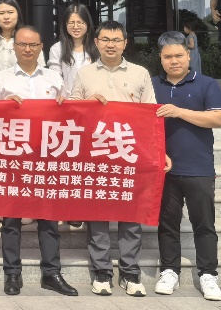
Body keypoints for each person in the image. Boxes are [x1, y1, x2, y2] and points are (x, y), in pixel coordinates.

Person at [0, 27, 78, 297]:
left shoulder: (54, 77)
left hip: (47, 157)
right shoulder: (1, 78)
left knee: (49, 219)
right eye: (22, 44)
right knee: (11, 220)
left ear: (41, 47)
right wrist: (2, 104)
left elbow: (70, 111)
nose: (27, 49)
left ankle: (51, 273)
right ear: (14, 47)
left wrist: (64, 103)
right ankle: (12, 274)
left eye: (33, 45)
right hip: (14, 158)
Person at [69, 19, 156, 297]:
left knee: (131, 213)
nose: (110, 45)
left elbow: (151, 114)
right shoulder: (84, 74)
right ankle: (101, 271)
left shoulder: (140, 73)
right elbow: (71, 111)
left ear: (125, 43)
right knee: (97, 213)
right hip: (95, 152)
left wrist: (154, 151)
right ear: (96, 43)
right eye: (105, 39)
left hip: (129, 152)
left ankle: (130, 272)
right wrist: (87, 104)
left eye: (116, 40)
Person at [153, 31, 221, 302]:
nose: (174, 61)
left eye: (178, 56)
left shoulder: (207, 84)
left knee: (204, 224)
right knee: (167, 223)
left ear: (188, 55)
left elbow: (217, 119)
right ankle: (169, 271)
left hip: (199, 167)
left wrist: (178, 111)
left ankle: (208, 274)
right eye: (168, 56)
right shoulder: (151, 86)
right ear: (160, 58)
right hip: (164, 168)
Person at [47, 4, 98, 98]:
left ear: (87, 23)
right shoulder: (57, 49)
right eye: (71, 22)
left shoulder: (97, 47)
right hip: (67, 101)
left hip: (92, 100)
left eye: (80, 22)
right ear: (65, 24)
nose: (75, 26)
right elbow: (55, 77)